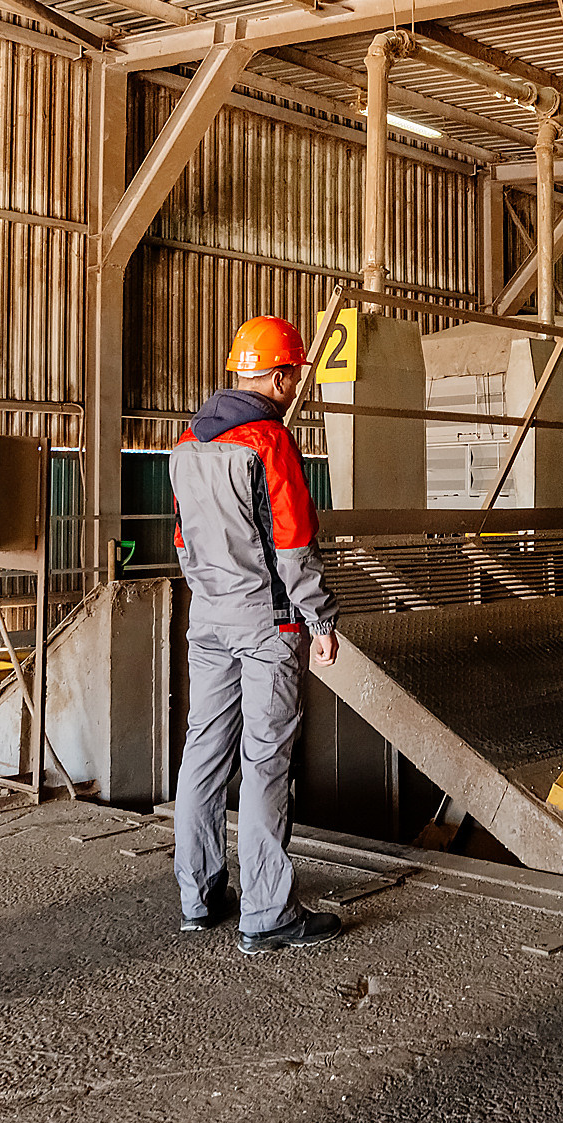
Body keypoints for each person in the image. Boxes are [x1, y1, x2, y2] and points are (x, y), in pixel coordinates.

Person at [168, 316, 344, 953]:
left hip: (209, 616)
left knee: (203, 751)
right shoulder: (269, 441)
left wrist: (212, 597)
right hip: (267, 623)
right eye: (292, 374)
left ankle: (199, 898)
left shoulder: (188, 442)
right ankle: (268, 915)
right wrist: (320, 618)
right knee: (266, 760)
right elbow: (293, 545)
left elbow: (182, 539)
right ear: (279, 376)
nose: (294, 386)